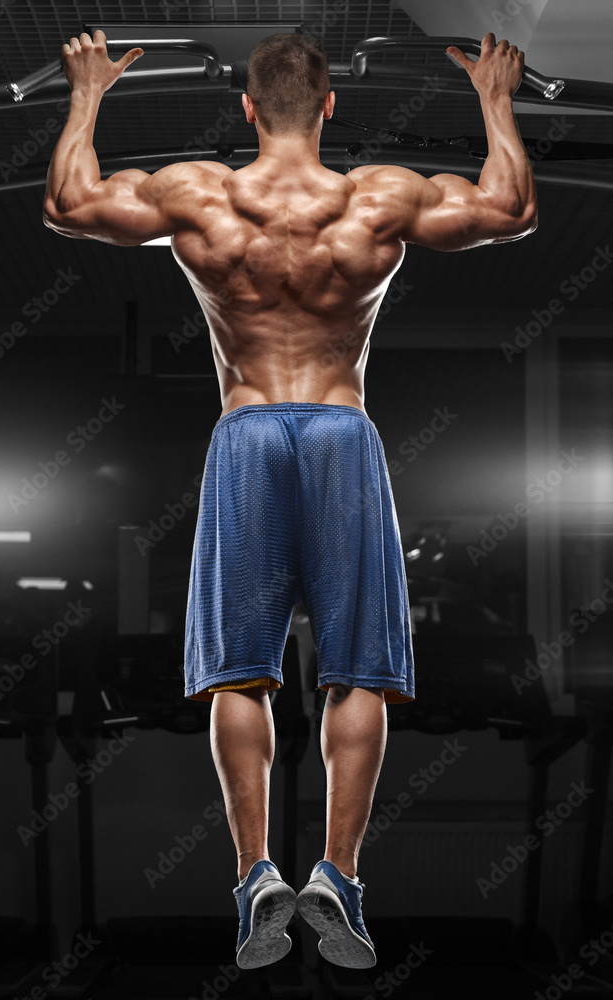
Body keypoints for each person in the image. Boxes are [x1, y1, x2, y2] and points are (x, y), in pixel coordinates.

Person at [43, 29, 537, 971]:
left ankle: (254, 874)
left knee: (241, 674)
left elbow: (70, 205)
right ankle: (338, 876)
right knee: (360, 672)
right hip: (342, 433)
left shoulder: (197, 192)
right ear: (328, 108)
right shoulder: (376, 196)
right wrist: (493, 98)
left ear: (244, 111)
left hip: (248, 430)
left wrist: (87, 94)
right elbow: (507, 209)